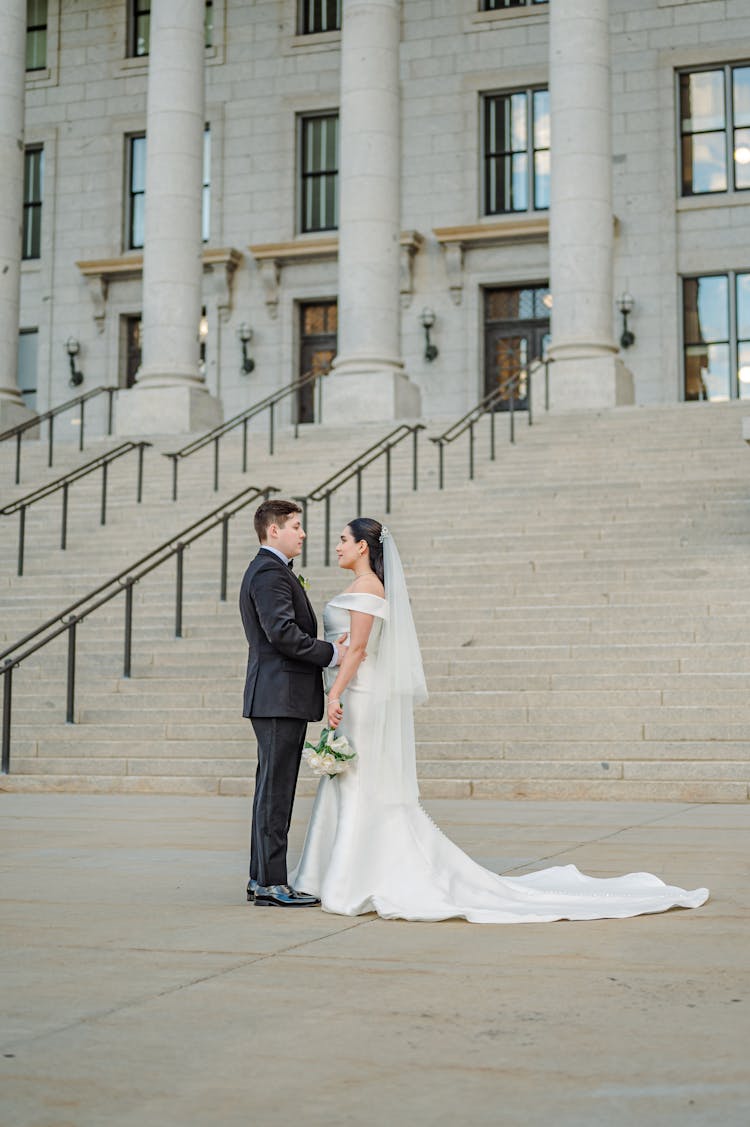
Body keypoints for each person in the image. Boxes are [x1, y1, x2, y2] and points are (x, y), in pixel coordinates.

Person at [291, 518, 710, 923]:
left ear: (364, 547)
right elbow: (353, 641)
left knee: (361, 777)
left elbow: (361, 649)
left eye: (344, 539)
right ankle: (338, 869)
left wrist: (334, 692)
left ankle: (353, 875)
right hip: (358, 689)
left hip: (360, 694)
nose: (338, 545)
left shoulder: (368, 587)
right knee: (351, 776)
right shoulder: (361, 586)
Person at [239, 499, 347, 908]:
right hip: (278, 696)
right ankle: (271, 883)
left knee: (270, 789)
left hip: (276, 695)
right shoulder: (269, 572)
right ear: (273, 531)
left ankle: (260, 877)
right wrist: (331, 654)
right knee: (276, 792)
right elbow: (281, 633)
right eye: (296, 526)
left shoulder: (272, 570)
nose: (302, 533)